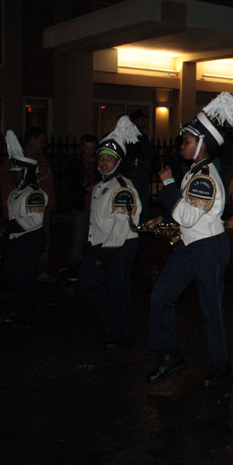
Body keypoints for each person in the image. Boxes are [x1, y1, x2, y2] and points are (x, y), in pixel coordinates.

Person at [146, 91, 233, 388]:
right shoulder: (196, 172)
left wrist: (167, 186)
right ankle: (170, 356)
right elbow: (190, 211)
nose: (182, 145)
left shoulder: (204, 176)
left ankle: (221, 369)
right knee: (161, 296)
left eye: (188, 141)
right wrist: (164, 218)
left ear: (203, 145)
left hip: (207, 249)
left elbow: (188, 216)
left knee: (211, 310)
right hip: (191, 245)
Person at [78, 118, 142, 349]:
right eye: (102, 158)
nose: (104, 163)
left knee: (119, 290)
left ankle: (123, 335)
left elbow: (121, 227)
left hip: (120, 246)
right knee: (88, 284)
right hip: (103, 244)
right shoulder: (101, 185)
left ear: (118, 161)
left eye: (109, 159)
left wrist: (102, 256)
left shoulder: (123, 188)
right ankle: (112, 324)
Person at [1, 131, 48, 329]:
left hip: (30, 239)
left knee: (25, 278)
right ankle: (26, 306)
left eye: (17, 171)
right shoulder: (16, 192)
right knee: (12, 275)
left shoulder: (34, 194)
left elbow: (34, 221)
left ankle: (27, 315)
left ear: (26, 172)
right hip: (18, 239)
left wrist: (8, 228)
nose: (13, 174)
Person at [0, 127, 55, 281]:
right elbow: (4, 180)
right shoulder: (16, 160)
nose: (44, 144)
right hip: (23, 214)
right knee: (21, 257)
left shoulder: (43, 160)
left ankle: (39, 273)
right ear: (32, 140)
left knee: (39, 248)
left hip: (42, 212)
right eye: (42, 140)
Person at [61, 134, 99, 281]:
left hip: (96, 207)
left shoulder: (99, 163)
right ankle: (75, 268)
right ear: (81, 148)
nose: (89, 152)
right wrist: (84, 189)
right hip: (82, 206)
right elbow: (70, 184)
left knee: (95, 239)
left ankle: (92, 268)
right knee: (78, 238)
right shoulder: (74, 163)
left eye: (92, 149)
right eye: (87, 148)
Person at [124, 110, 158, 222]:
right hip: (136, 171)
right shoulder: (132, 136)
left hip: (142, 170)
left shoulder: (141, 135)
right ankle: (136, 221)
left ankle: (140, 221)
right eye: (141, 120)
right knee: (137, 198)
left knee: (143, 199)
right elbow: (138, 152)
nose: (144, 122)